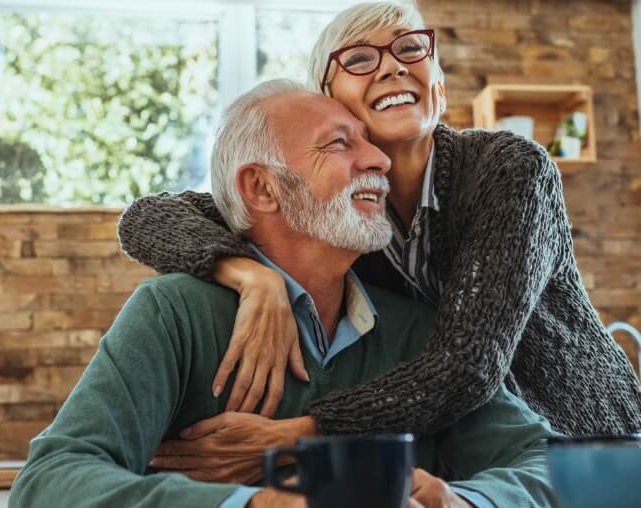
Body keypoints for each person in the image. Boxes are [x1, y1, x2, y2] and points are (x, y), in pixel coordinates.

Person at [8, 80, 565, 508]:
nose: (379, 160)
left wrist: (464, 504)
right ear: (262, 188)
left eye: (369, 144)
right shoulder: (173, 314)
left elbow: (553, 466)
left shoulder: (418, 331)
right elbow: (48, 488)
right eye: (340, 144)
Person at [118, 1, 641, 446]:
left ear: (437, 82)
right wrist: (253, 276)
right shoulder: (337, 209)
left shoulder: (510, 170)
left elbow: (468, 366)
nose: (393, 68)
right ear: (327, 97)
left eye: (411, 49)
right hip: (473, 456)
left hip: (592, 443)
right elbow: (149, 217)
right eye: (361, 59)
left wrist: (299, 434)